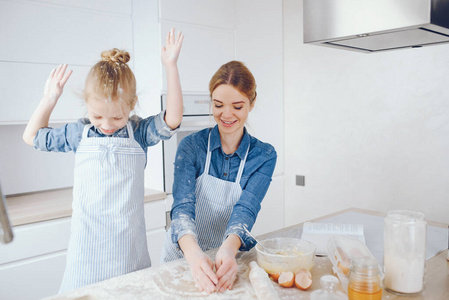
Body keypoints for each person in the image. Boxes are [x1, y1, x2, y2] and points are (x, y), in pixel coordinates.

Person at [23, 28, 184, 292]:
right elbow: (31, 136)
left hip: (128, 254)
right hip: (85, 255)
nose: (107, 125)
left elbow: (173, 118)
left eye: (118, 118)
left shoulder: (140, 133)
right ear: (86, 105)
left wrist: (171, 66)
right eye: (97, 117)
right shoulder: (78, 133)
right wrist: (49, 98)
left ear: (132, 106)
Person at [161, 60, 277, 294]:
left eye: (237, 106)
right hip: (183, 258)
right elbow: (182, 208)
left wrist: (227, 250)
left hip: (228, 259)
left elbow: (246, 210)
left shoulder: (264, 156)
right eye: (218, 105)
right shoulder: (191, 146)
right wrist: (194, 256)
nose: (226, 114)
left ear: (252, 104)